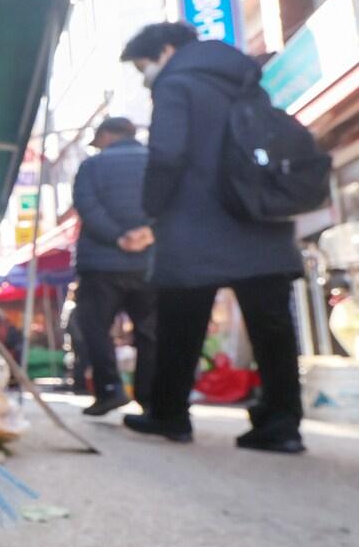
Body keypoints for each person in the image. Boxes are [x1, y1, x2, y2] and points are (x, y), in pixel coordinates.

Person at [119, 22, 305, 453]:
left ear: (167, 51)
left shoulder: (175, 84)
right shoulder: (246, 79)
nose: (145, 78)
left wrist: (152, 209)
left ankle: (169, 414)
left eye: (143, 67)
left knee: (180, 322)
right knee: (273, 327)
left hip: (195, 223)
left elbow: (167, 154)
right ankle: (281, 424)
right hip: (259, 217)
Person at [70, 116, 157, 416]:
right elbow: (172, 202)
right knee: (149, 332)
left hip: (101, 263)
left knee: (94, 327)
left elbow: (87, 206)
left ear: (107, 135)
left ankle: (110, 389)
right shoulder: (157, 162)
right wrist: (149, 233)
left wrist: (118, 238)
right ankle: (149, 397)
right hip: (149, 261)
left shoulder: (91, 166)